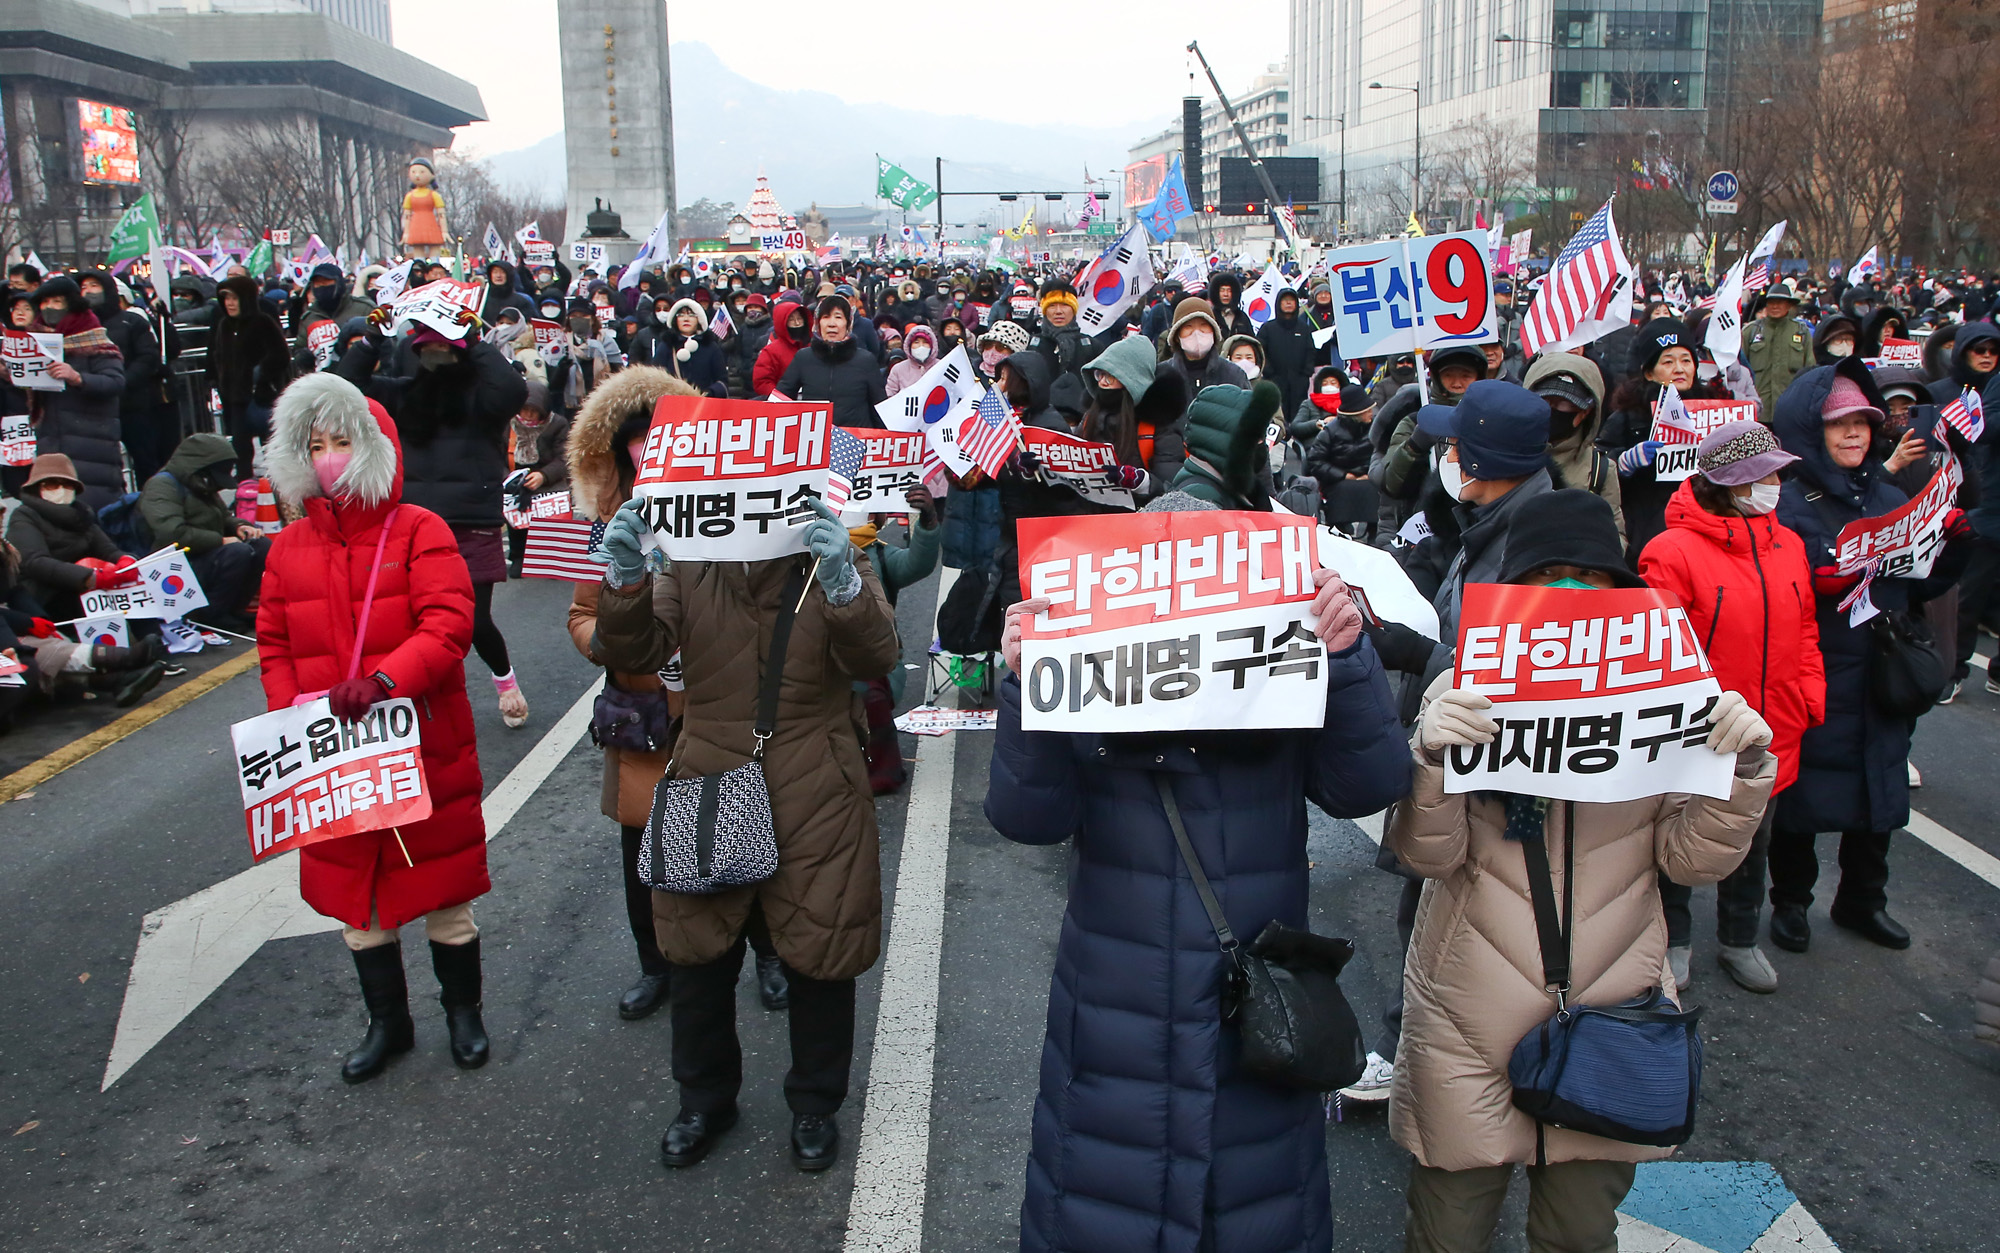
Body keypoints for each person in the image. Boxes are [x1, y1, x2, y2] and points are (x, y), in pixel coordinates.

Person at [984, 489, 1411, 1253]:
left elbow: (1370, 785)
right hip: (1117, 1019)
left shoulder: (1289, 672)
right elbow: (1027, 817)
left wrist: (1347, 658)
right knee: (1102, 1204)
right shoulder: (1085, 668)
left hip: (1253, 1012)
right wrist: (1022, 682)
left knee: (1257, 1209)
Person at [1388, 487, 1776, 1253]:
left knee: (1578, 1234)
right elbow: (1423, 854)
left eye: (1590, 576)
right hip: (1466, 1019)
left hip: (1614, 1010)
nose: (1571, 593)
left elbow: (1690, 859)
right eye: (1550, 573)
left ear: (1622, 593)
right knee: (1447, 1233)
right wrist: (1429, 756)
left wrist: (1742, 769)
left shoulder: (1669, 694)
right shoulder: (1463, 689)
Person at [591, 482, 901, 1173]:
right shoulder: (693, 559)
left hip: (817, 783)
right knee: (698, 955)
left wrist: (845, 582)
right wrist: (626, 575)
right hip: (707, 772)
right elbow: (634, 645)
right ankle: (704, 1099)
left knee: (820, 955)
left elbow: (877, 656)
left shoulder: (829, 549)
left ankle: (815, 1103)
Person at [257, 372, 490, 1083]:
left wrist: (387, 680)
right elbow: (273, 642)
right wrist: (291, 710)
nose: (329, 457)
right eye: (316, 444)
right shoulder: (287, 546)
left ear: (373, 448)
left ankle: (463, 1012)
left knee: (444, 896)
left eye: (341, 442)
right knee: (359, 906)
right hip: (333, 755)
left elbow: (450, 623)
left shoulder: (421, 529)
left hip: (419, 743)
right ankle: (387, 1021)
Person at [1769, 361, 1966, 953]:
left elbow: (1918, 585)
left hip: (1881, 668)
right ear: (1810, 430)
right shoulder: (1786, 500)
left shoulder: (1887, 492)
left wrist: (1951, 547)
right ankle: (1791, 904)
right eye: (1838, 423)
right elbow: (1778, 581)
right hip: (1818, 667)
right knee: (1801, 796)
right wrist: (1823, 568)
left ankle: (1862, 900)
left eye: (1862, 421)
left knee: (1879, 791)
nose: (1853, 433)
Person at [1638, 420, 1824, 993]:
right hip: (1699, 735)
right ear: (1731, 484)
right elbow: (1659, 651)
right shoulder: (1670, 552)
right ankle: (1675, 941)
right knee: (1680, 842)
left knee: (1752, 842)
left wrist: (1808, 697)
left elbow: (1807, 629)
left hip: (1773, 729)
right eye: (1764, 475)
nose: (1775, 484)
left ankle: (1740, 938)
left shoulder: (1787, 543)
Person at [336, 308, 533, 729]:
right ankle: (416, 695)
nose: (438, 353)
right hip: (413, 524)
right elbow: (345, 389)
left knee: (474, 620)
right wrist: (372, 337)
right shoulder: (401, 394)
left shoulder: (484, 399)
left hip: (471, 521)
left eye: (447, 346)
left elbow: (513, 390)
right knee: (413, 620)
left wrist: (473, 338)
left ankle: (506, 681)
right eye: (429, 346)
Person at [138, 432, 269, 630]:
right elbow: (171, 534)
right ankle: (210, 615)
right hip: (177, 565)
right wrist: (220, 541)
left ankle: (234, 608)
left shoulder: (200, 484)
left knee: (260, 545)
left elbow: (223, 516)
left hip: (205, 553)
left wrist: (239, 526)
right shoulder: (161, 486)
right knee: (237, 552)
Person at [31, 277, 128, 510]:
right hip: (52, 439)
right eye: (45, 302)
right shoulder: (35, 339)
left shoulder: (94, 338)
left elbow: (114, 382)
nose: (50, 308)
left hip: (92, 443)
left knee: (95, 508)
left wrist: (78, 378)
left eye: (57, 301)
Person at [1075, 335, 1188, 503]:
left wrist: (1142, 482)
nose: (1103, 383)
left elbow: (1174, 489)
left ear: (1133, 381)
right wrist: (1037, 469)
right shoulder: (1089, 419)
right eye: (1100, 374)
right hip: (1090, 519)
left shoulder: (1157, 427)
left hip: (1138, 521)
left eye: (1111, 376)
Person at [1524, 352, 1622, 539]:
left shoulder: (1600, 469)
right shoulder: (1505, 453)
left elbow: (1614, 536)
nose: (1551, 410)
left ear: (1585, 412)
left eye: (1564, 403)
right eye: (1544, 400)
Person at [207, 275, 291, 480]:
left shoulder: (262, 322)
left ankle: (281, 486)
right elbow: (218, 354)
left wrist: (262, 376)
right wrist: (219, 381)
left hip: (263, 396)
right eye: (225, 299)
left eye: (234, 299)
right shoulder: (224, 325)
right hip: (235, 397)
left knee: (272, 445)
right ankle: (245, 488)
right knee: (240, 447)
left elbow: (281, 354)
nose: (229, 304)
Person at [776, 295, 887, 428]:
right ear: (818, 323)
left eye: (838, 317)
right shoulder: (803, 358)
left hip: (855, 441)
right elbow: (780, 400)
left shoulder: (865, 360)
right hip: (814, 439)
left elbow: (880, 409)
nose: (831, 324)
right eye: (826, 317)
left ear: (848, 324)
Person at [1742, 281, 1813, 418]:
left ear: (1788, 305)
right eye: (1771, 302)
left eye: (1780, 302)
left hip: (1790, 410)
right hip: (1758, 410)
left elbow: (1810, 372)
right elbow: (1740, 371)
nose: (1775, 306)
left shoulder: (1801, 333)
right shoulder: (1750, 332)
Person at [635, 298, 728, 398]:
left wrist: (709, 393)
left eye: (691, 315)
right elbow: (654, 378)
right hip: (674, 405)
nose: (686, 319)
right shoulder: (667, 346)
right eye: (681, 315)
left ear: (699, 319)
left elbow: (722, 380)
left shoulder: (710, 346)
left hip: (705, 406)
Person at [1157, 297, 1250, 396]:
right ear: (1177, 336)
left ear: (1214, 332)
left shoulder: (1234, 374)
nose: (1197, 332)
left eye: (1204, 325)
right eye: (1188, 327)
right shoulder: (1161, 376)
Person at [1259, 287, 1318, 418]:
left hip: (1299, 380)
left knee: (1298, 413)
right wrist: (1269, 372)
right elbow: (1260, 351)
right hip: (1275, 379)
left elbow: (1310, 350)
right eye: (1285, 300)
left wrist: (1306, 372)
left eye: (1292, 300)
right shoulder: (1268, 328)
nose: (1288, 303)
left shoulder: (1303, 328)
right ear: (1279, 303)